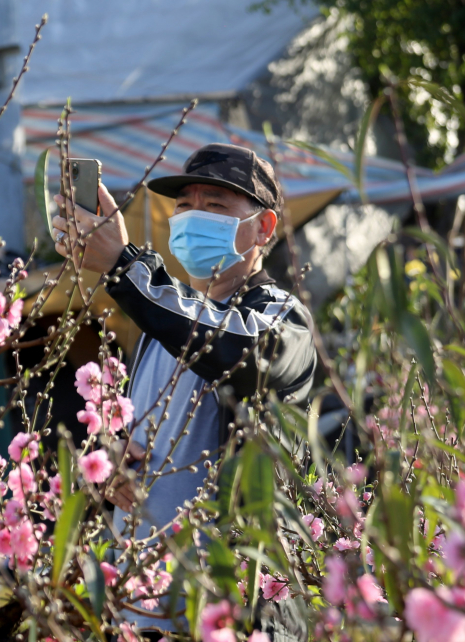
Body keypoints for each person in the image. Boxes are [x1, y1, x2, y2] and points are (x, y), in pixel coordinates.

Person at [51, 143, 317, 640]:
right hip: (140, 613)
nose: (195, 218)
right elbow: (146, 432)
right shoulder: (158, 329)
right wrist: (110, 460)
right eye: (185, 206)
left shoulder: (284, 318)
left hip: (233, 612)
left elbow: (234, 346)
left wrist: (124, 267)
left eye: (216, 206)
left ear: (264, 228)